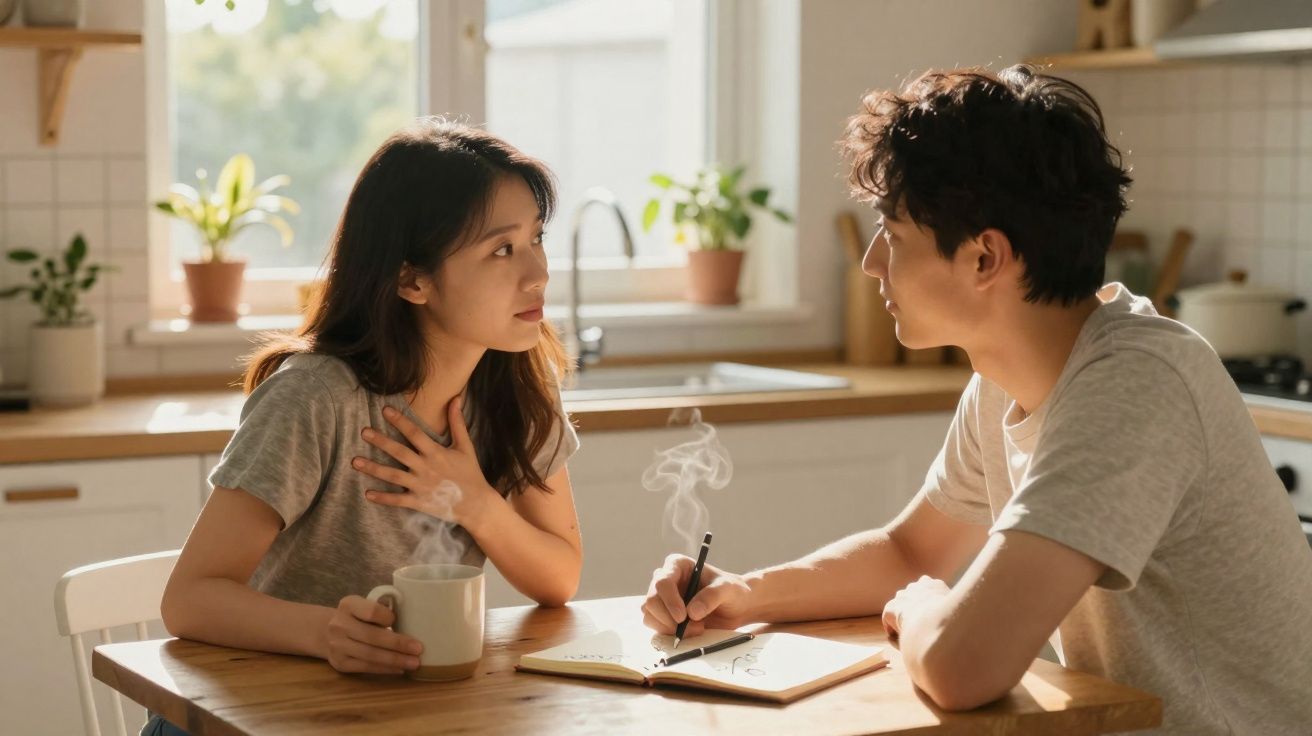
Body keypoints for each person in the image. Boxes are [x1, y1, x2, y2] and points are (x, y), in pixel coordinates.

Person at [641, 65, 1312, 734]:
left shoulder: (1135, 386)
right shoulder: (1005, 380)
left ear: (985, 258)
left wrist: (925, 609)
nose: (871, 262)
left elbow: (963, 667)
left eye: (893, 235)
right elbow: (908, 552)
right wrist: (744, 593)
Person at [148, 120, 583, 735]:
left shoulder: (518, 387)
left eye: (536, 238)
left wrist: (475, 502)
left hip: (384, 715)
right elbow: (190, 599)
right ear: (412, 280)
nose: (538, 273)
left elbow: (560, 577)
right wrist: (326, 632)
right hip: (244, 718)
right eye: (502, 250)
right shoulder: (317, 398)